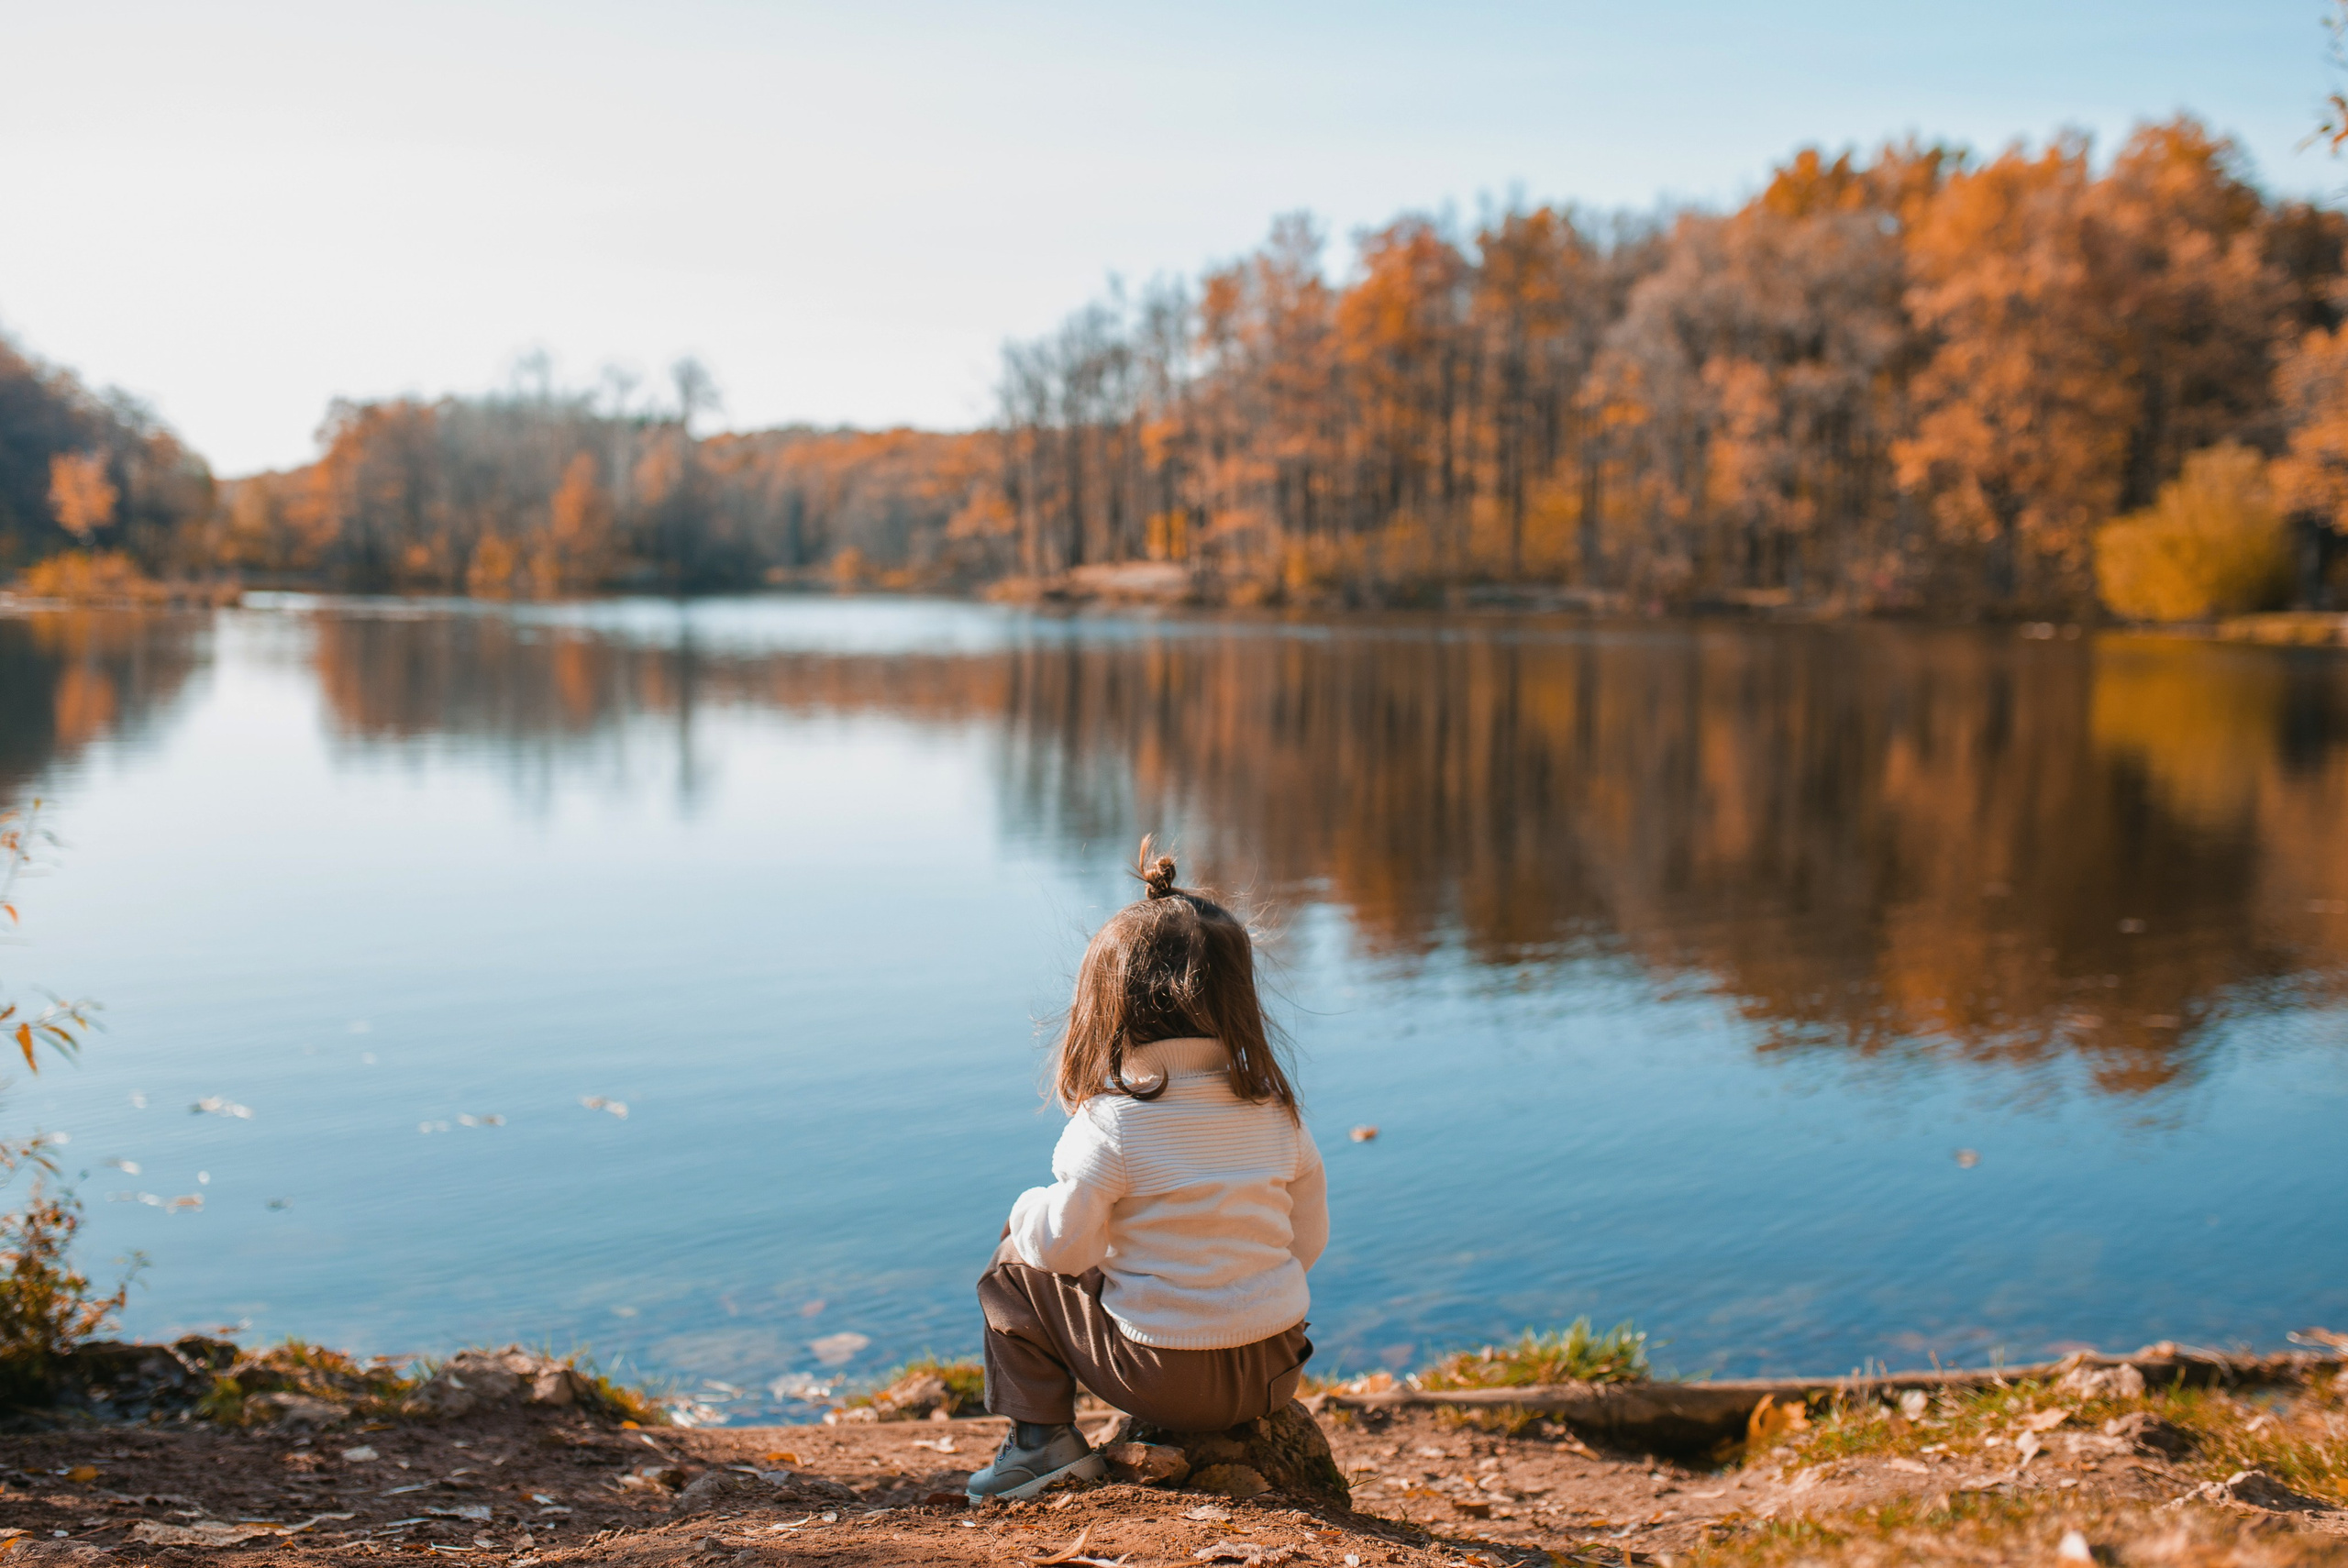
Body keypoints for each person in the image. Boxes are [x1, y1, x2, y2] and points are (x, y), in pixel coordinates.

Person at [966, 844, 1328, 1502]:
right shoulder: (1276, 1114)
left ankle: (1040, 1444)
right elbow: (1306, 1242)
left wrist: (1026, 1211)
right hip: (1274, 1367)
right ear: (1238, 1000)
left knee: (1012, 1266)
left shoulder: (1113, 1123)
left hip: (1167, 1381)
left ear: (1106, 1006)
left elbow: (1062, 1250)